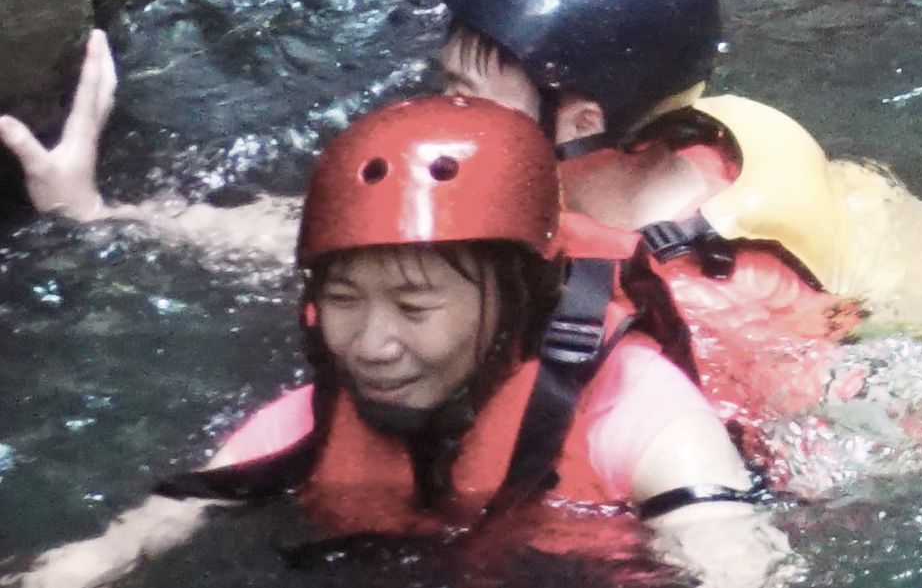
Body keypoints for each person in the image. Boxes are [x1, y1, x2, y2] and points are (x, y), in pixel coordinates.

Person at [6, 0, 922, 441]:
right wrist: (102, 211)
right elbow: (358, 237)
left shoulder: (706, 299)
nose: (439, 106)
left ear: (579, 117)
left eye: (465, 87)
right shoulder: (626, 154)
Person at [9, 97, 787, 588]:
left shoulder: (646, 420)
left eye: (414, 306)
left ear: (518, 300)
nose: (371, 345)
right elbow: (134, 537)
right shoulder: (318, 416)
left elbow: (733, 560)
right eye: (342, 299)